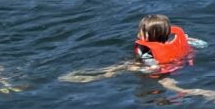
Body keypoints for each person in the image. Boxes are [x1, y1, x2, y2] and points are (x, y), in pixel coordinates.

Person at [60, 14, 199, 83]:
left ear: (151, 35)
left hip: (161, 69)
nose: (138, 33)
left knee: (123, 66)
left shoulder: (145, 49)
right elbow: (200, 44)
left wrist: (143, 69)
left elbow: (153, 65)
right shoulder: (177, 37)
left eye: (142, 31)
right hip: (181, 64)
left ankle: (99, 75)